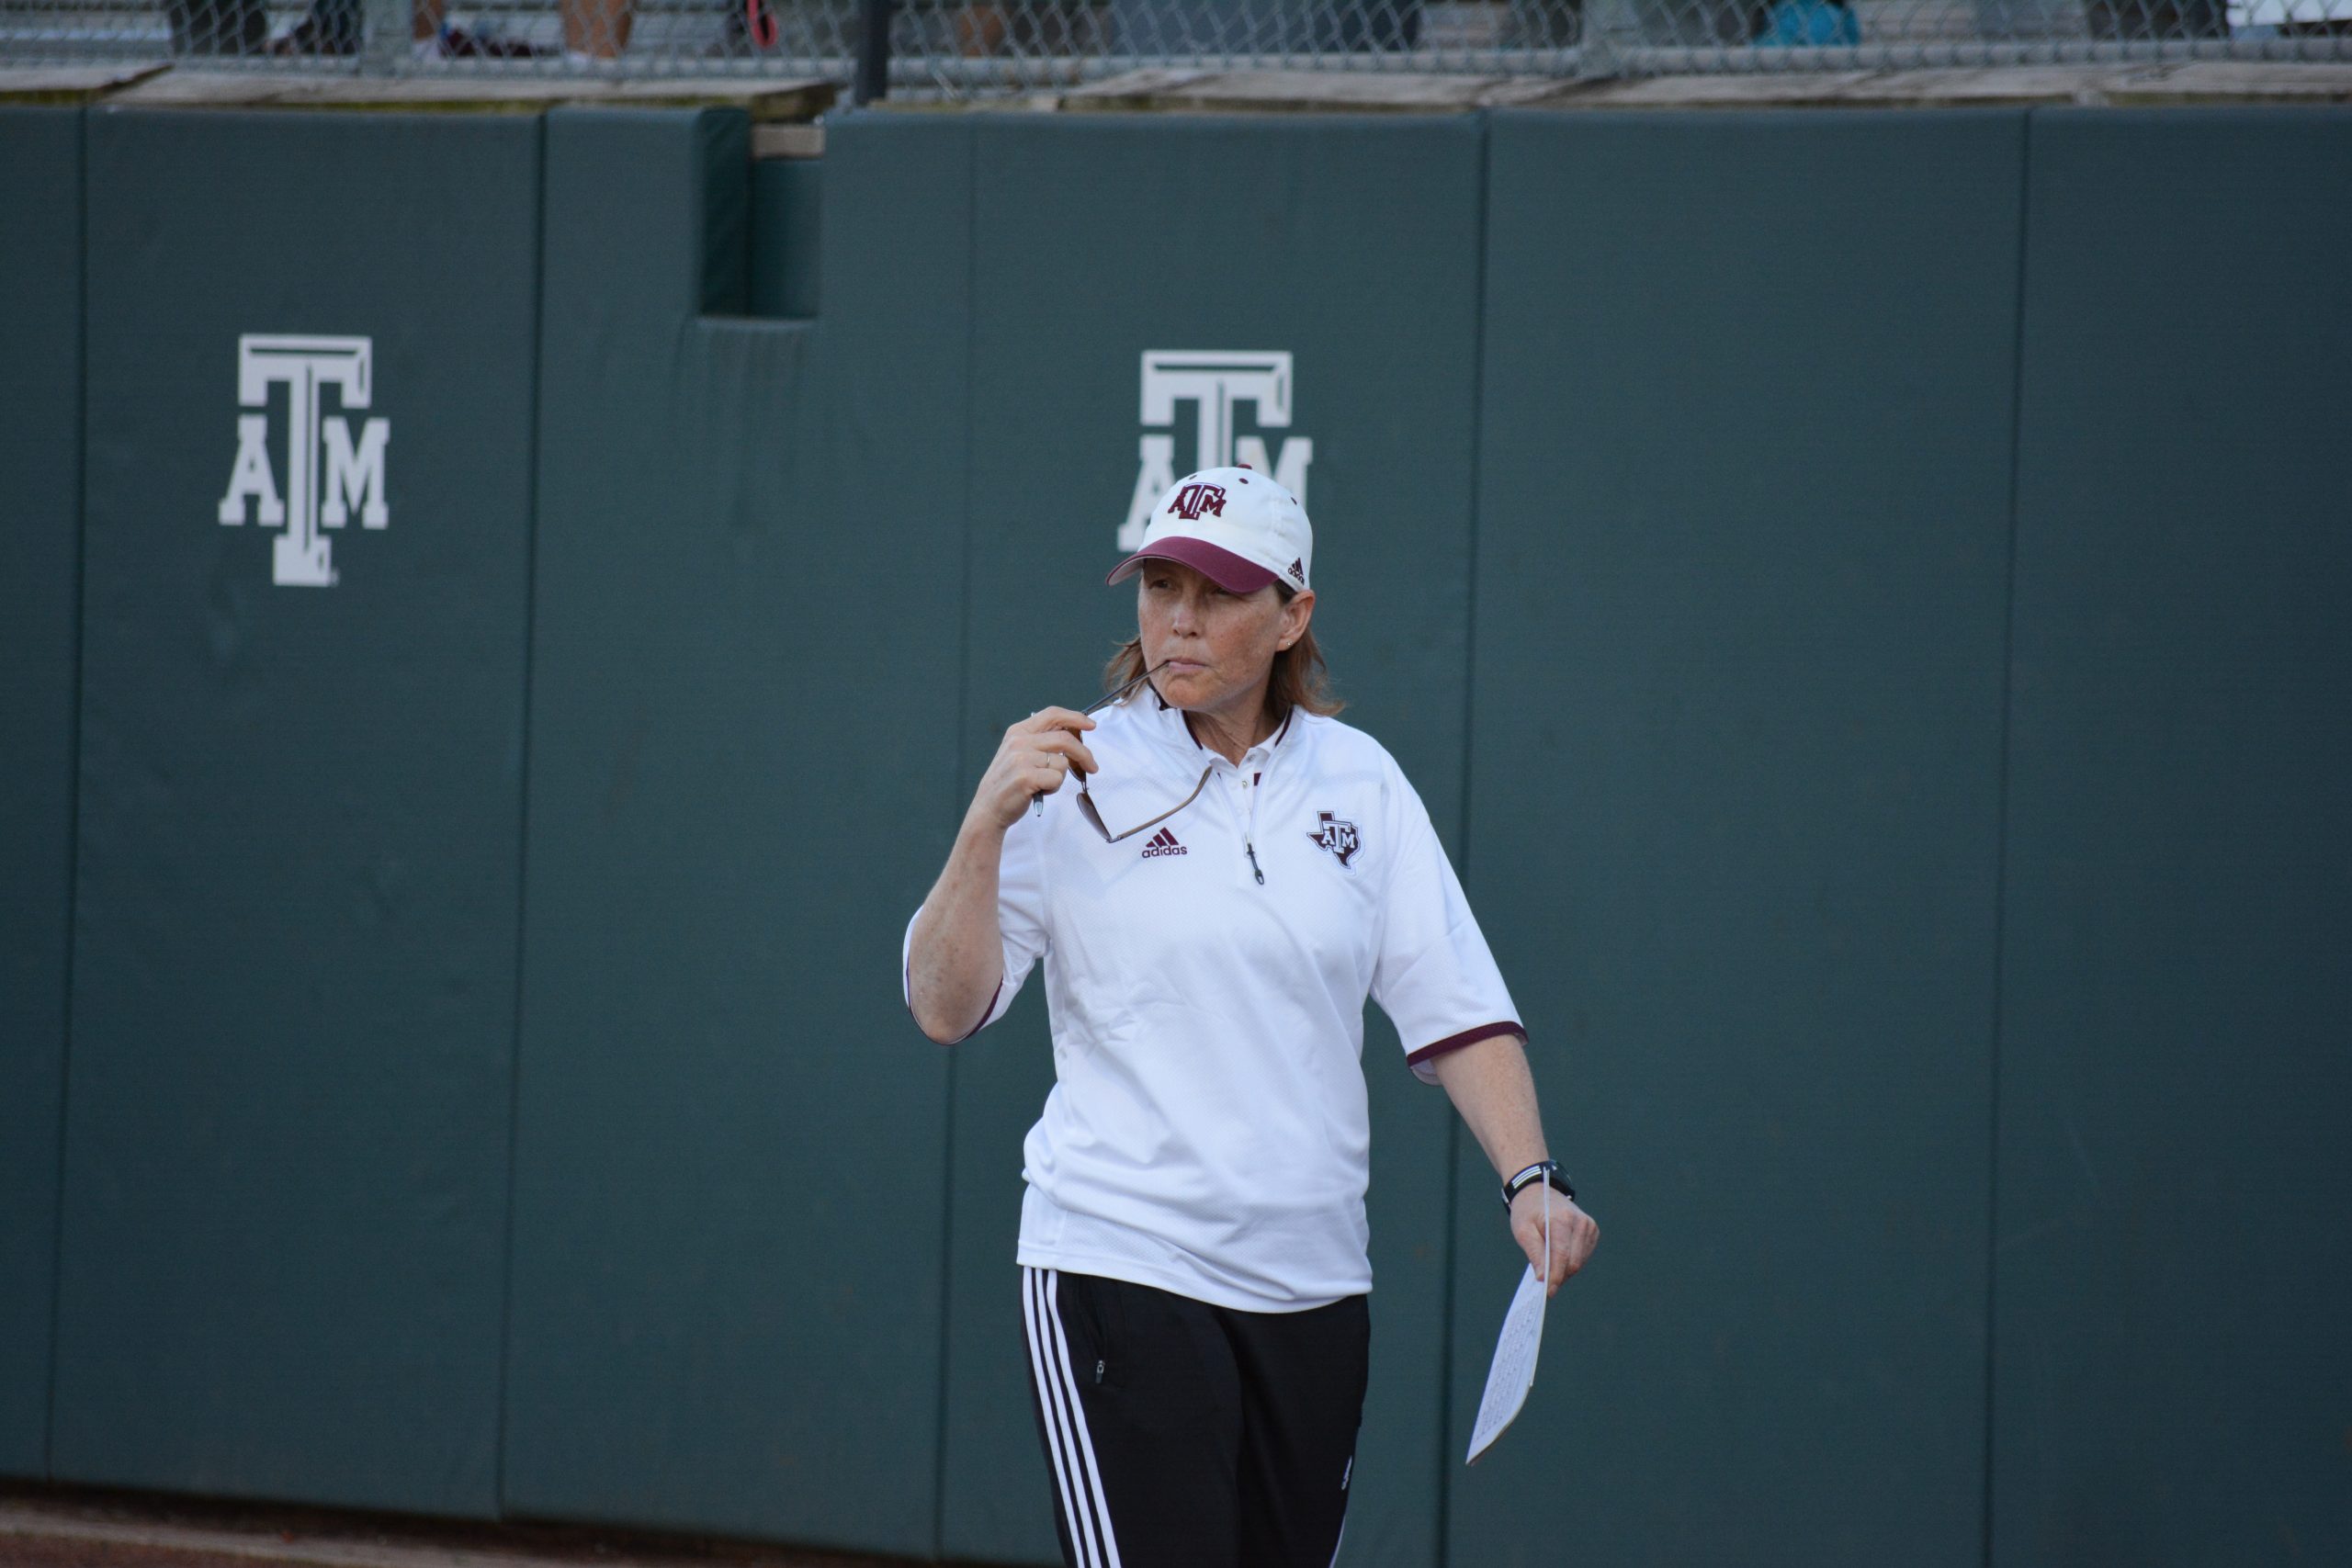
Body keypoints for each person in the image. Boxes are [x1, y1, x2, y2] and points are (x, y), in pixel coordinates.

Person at [902, 466, 1598, 1568]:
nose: (1178, 620)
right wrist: (983, 825)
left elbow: (1457, 1009)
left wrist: (1531, 1178)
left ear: (1293, 615)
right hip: (1121, 1262)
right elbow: (945, 1009)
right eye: (1160, 585)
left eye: (1218, 594)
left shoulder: (1361, 782)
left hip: (1315, 1287)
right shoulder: (1072, 773)